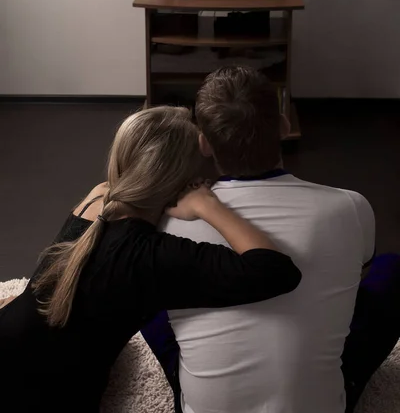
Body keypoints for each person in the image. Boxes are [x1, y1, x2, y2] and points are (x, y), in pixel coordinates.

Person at [0, 105, 301, 413]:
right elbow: (276, 271)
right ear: (185, 179)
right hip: (48, 395)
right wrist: (209, 206)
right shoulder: (154, 256)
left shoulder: (97, 196)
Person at [146, 66, 400, 413]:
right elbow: (357, 279)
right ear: (283, 125)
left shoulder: (167, 223)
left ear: (203, 143)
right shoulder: (351, 207)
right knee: (392, 271)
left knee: (150, 296)